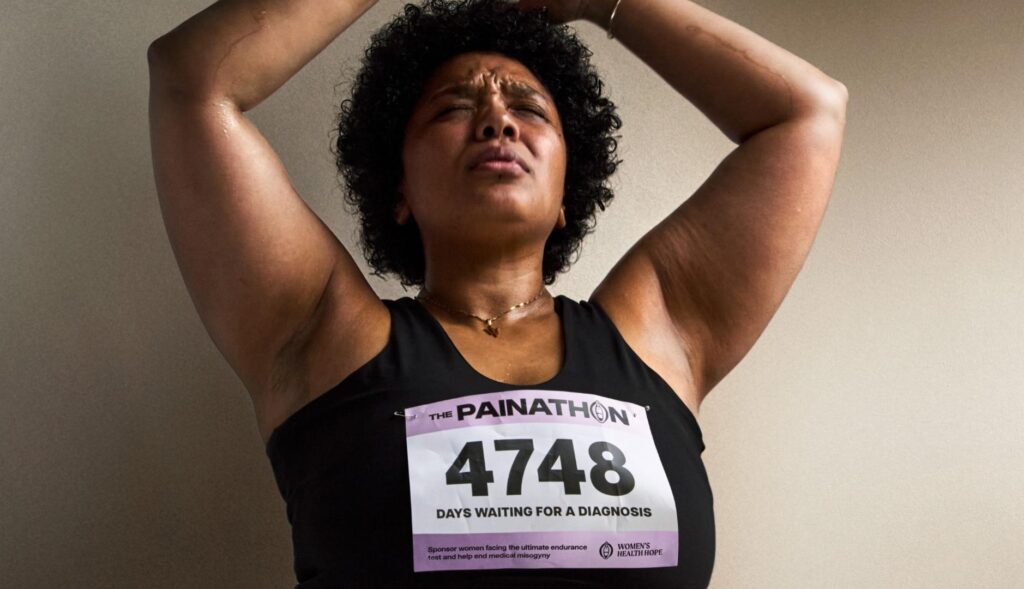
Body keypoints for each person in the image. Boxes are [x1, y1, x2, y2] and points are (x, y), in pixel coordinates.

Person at [147, 0, 847, 585]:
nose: (497, 120)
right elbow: (192, 80)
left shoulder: (660, 328)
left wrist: (604, 4)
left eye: (529, 108)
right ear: (398, 189)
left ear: (568, 192)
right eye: (454, 107)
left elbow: (809, 113)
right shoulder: (322, 333)